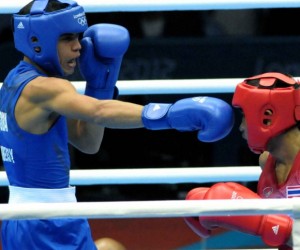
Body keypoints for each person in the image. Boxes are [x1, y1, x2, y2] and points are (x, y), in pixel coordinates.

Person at [0, 0, 234, 249]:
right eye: (67, 38)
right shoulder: (46, 88)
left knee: (111, 246)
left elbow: (87, 142)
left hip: (28, 216)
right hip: (46, 222)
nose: (78, 47)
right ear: (37, 40)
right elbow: (100, 112)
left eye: (78, 37)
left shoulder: (17, 80)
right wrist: (170, 115)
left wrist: (99, 87)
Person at [184, 72, 299, 249]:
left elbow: (279, 230)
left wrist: (269, 224)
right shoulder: (267, 161)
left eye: (245, 116)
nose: (241, 127)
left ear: (268, 116)